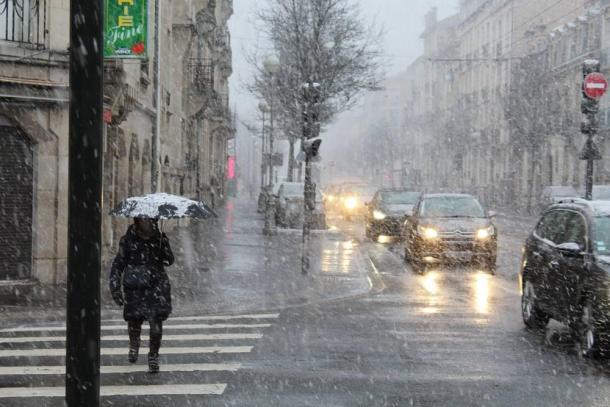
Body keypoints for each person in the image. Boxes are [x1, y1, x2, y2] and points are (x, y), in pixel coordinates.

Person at [109, 217, 174, 373]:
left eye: (150, 220)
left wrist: (164, 247)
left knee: (156, 323)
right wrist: (115, 288)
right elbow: (118, 264)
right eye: (144, 220)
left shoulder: (159, 238)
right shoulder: (128, 240)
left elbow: (169, 260)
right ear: (137, 221)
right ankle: (134, 344)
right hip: (135, 287)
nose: (148, 223)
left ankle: (153, 356)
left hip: (156, 286)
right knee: (134, 321)